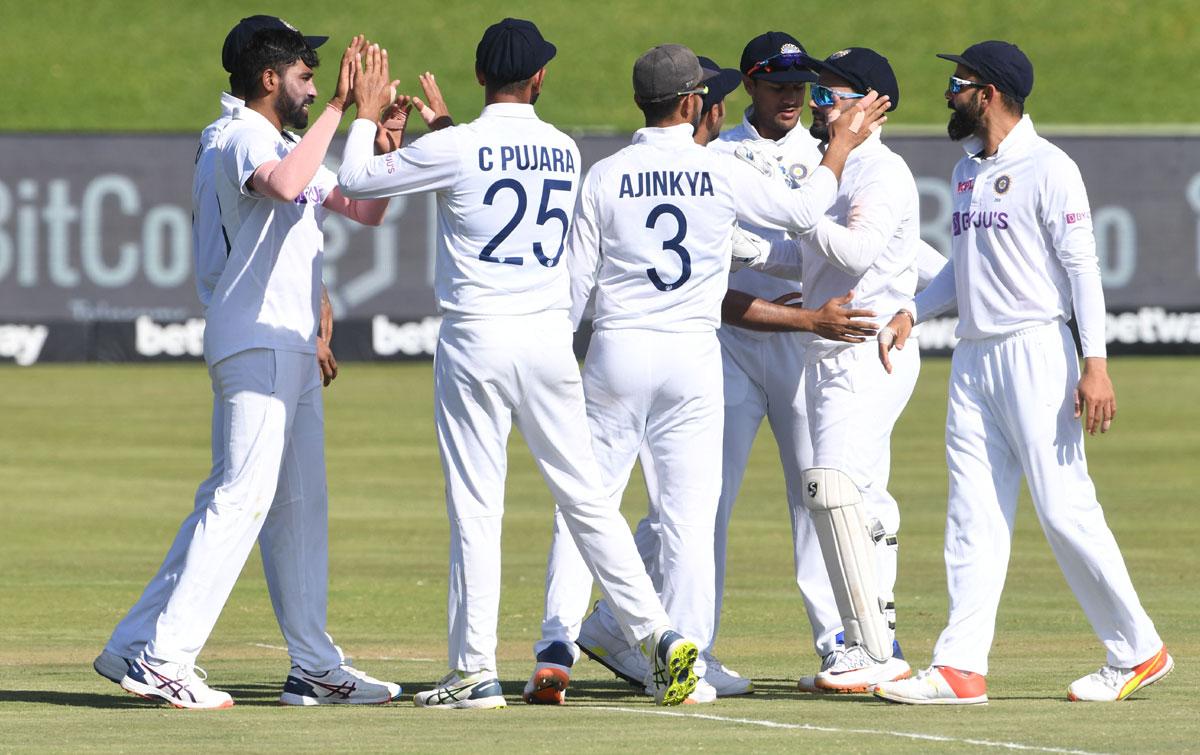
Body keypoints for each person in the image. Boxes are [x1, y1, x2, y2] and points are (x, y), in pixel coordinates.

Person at [337, 19, 703, 709]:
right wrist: (441, 131)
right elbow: (483, 162)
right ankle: (658, 634)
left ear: (481, 77)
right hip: (545, 337)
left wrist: (365, 117)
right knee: (588, 498)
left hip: (477, 334)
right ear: (539, 79)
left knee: (478, 501)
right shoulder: (564, 150)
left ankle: (475, 669)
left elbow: (359, 176)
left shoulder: (461, 146)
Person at [533, 43, 887, 704]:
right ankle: (686, 660)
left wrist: (554, 368)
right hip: (692, 354)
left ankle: (555, 643)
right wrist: (838, 147)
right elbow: (807, 212)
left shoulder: (606, 175)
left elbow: (574, 289)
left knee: (588, 500)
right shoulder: (715, 171)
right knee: (690, 515)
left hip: (616, 349)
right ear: (695, 102)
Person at [873, 41, 1171, 705]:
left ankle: (1138, 648)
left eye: (959, 81)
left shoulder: (1049, 168)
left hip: (1038, 352)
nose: (949, 91)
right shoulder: (963, 170)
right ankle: (960, 666)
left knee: (1065, 509)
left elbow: (1082, 268)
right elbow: (962, 263)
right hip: (974, 358)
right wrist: (910, 313)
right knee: (971, 513)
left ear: (993, 91)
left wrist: (1095, 363)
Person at [115, 21, 399, 710]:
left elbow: (364, 209)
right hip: (257, 338)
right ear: (269, 78)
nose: (314, 83)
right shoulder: (242, 132)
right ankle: (165, 657)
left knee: (298, 507)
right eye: (306, 73)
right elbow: (281, 185)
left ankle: (311, 665)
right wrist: (340, 111)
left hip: (291, 340)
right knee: (240, 499)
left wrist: (383, 142)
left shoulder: (277, 139)